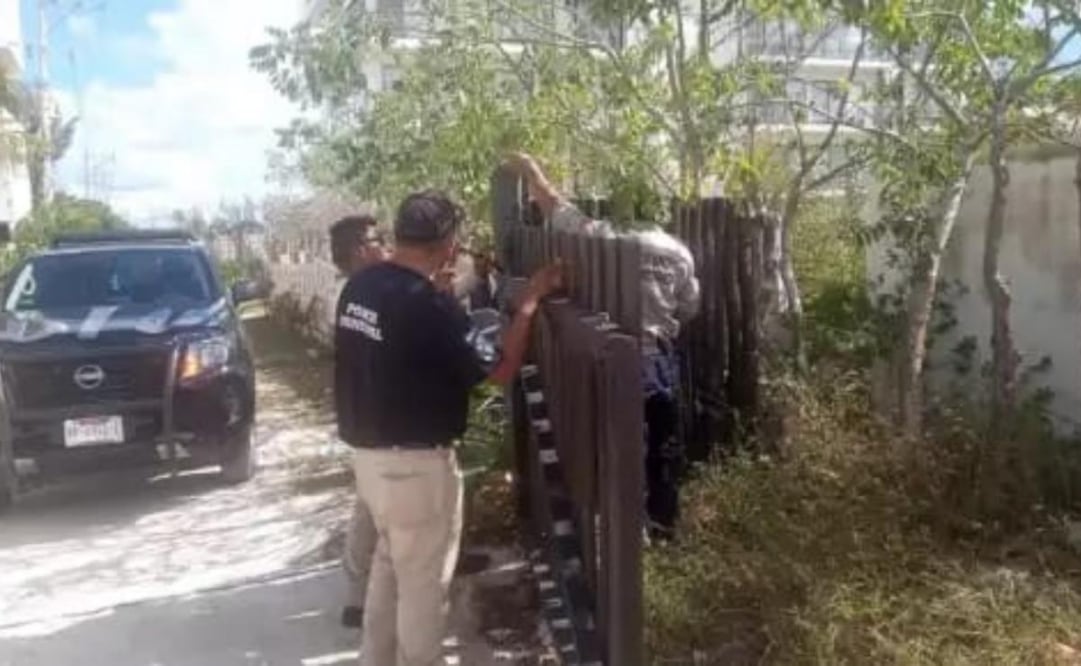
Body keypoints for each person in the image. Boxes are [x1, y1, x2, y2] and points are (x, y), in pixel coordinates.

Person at [334, 189, 561, 665]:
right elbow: (497, 371)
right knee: (422, 588)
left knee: (388, 570)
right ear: (448, 244)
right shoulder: (429, 307)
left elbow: (395, 346)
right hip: (415, 471)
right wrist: (529, 303)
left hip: (370, 465)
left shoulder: (361, 287)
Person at [505, 152, 701, 539]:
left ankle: (628, 531)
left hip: (614, 359)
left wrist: (531, 171)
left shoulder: (604, 236)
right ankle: (663, 525)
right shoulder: (679, 251)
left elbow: (556, 208)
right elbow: (690, 306)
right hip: (659, 358)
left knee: (622, 447)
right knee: (662, 443)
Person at [328, 213, 388, 629]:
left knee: (369, 506)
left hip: (366, 419)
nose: (381, 244)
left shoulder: (355, 293)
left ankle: (356, 597)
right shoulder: (361, 295)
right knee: (372, 509)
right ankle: (359, 597)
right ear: (357, 250)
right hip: (375, 420)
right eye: (374, 239)